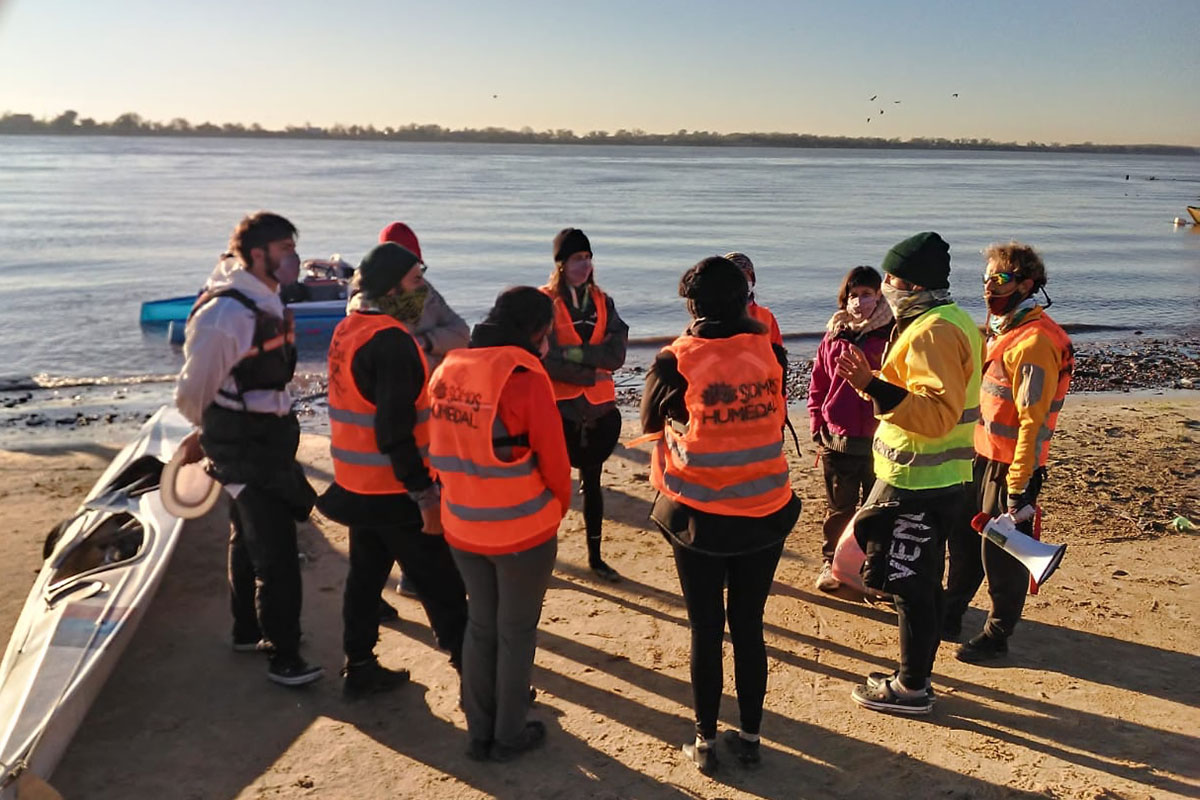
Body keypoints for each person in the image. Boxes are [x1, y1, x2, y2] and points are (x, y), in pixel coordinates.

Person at [638, 256, 801, 774]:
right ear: (744, 300)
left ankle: (706, 741)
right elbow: (774, 415)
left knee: (705, 629)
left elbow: (647, 421)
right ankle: (750, 737)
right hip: (766, 510)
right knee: (748, 626)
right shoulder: (769, 351)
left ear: (692, 306)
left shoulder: (675, 361)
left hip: (701, 517)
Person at [834, 232, 982, 715]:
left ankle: (912, 687)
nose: (886, 285)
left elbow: (936, 413)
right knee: (913, 582)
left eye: (893, 278)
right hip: (934, 477)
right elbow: (915, 397)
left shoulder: (933, 330)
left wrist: (871, 383)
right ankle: (912, 677)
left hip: (919, 481)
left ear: (913, 284)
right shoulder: (946, 318)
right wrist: (869, 386)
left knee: (908, 583)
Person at [174, 211, 323, 687]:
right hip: (243, 443)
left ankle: (246, 629)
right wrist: (206, 431)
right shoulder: (227, 314)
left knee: (247, 533)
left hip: (266, 437)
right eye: (283, 250)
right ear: (256, 255)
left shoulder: (266, 298)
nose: (292, 259)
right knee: (277, 550)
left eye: (291, 248)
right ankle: (284, 656)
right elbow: (193, 390)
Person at [316, 242, 468, 698]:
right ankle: (484, 684)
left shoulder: (350, 327)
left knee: (365, 579)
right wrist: (424, 495)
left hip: (356, 484)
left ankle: (359, 665)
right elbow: (394, 431)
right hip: (396, 490)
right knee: (444, 589)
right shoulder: (392, 341)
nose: (422, 290)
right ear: (390, 287)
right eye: (416, 281)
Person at [428, 286, 571, 762]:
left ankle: (478, 729)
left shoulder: (449, 369)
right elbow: (554, 459)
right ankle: (509, 734)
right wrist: (557, 504)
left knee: (480, 625)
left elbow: (434, 442)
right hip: (521, 530)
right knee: (516, 632)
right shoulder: (526, 378)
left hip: (463, 525)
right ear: (537, 333)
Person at [944, 242, 1073, 662]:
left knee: (1001, 555)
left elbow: (1032, 425)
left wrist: (1019, 486)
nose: (988, 289)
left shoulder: (1035, 342)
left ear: (1027, 284)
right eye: (985, 280)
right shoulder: (1004, 330)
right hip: (980, 456)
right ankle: (951, 611)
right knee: (963, 541)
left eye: (999, 279)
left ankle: (997, 636)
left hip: (1011, 467)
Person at [372, 222, 469, 606]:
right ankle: (390, 586)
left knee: (420, 496)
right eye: (413, 269)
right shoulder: (368, 307)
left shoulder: (424, 295)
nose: (419, 276)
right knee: (388, 509)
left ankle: (411, 578)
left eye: (418, 268)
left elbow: (461, 332)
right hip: (386, 421)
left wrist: (426, 341)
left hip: (427, 410)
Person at [540, 228, 629, 582]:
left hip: (598, 411)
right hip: (559, 410)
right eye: (578, 258)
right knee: (552, 488)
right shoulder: (545, 302)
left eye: (588, 258)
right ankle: (544, 557)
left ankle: (596, 557)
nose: (585, 264)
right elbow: (544, 357)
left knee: (593, 485)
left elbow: (617, 355)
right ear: (561, 264)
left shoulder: (603, 301)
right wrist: (590, 367)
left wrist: (576, 355)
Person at [807, 266, 894, 591]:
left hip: (879, 439)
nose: (859, 302)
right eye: (853, 296)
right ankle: (833, 562)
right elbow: (818, 382)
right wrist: (818, 422)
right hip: (837, 440)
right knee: (839, 509)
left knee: (876, 510)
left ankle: (875, 570)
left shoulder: (891, 335)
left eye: (867, 294)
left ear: (879, 296)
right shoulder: (834, 334)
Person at [723, 252, 784, 348]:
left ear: (752, 279)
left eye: (743, 276)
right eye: (733, 278)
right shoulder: (712, 318)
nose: (739, 282)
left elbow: (779, 356)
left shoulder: (766, 317)